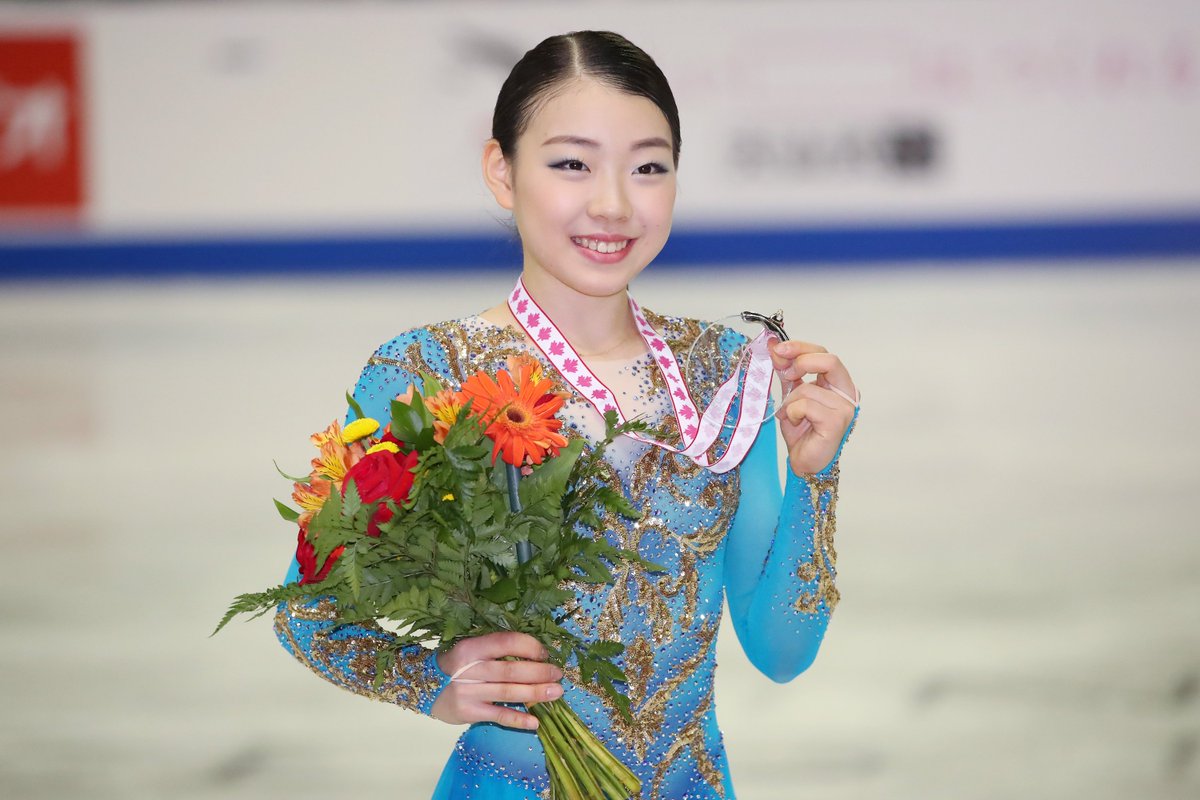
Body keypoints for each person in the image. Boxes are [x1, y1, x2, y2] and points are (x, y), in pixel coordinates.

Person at [274, 30, 858, 800]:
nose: (613, 204)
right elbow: (308, 615)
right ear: (502, 171)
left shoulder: (722, 373)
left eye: (648, 167)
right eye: (572, 164)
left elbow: (783, 652)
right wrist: (430, 679)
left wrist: (817, 478)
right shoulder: (426, 372)